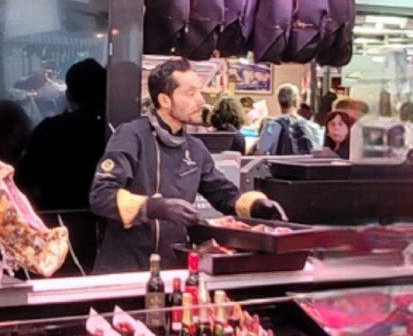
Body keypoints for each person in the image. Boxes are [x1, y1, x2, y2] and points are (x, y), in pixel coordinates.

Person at [88, 57, 278, 272]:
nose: (200, 101)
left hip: (172, 269)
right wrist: (155, 207)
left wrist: (255, 206)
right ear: (165, 100)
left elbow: (225, 195)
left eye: (199, 92)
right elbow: (101, 196)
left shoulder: (195, 148)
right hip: (125, 270)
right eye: (190, 93)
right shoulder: (131, 136)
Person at [17, 58, 107, 213]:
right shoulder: (115, 131)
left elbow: (24, 179)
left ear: (68, 95)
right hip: (105, 218)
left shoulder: (49, 130)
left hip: (54, 216)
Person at [256, 83, 322, 155]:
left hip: (279, 162)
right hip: (305, 162)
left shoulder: (271, 126)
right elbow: (319, 151)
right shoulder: (311, 127)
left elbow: (260, 153)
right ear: (295, 102)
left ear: (279, 102)